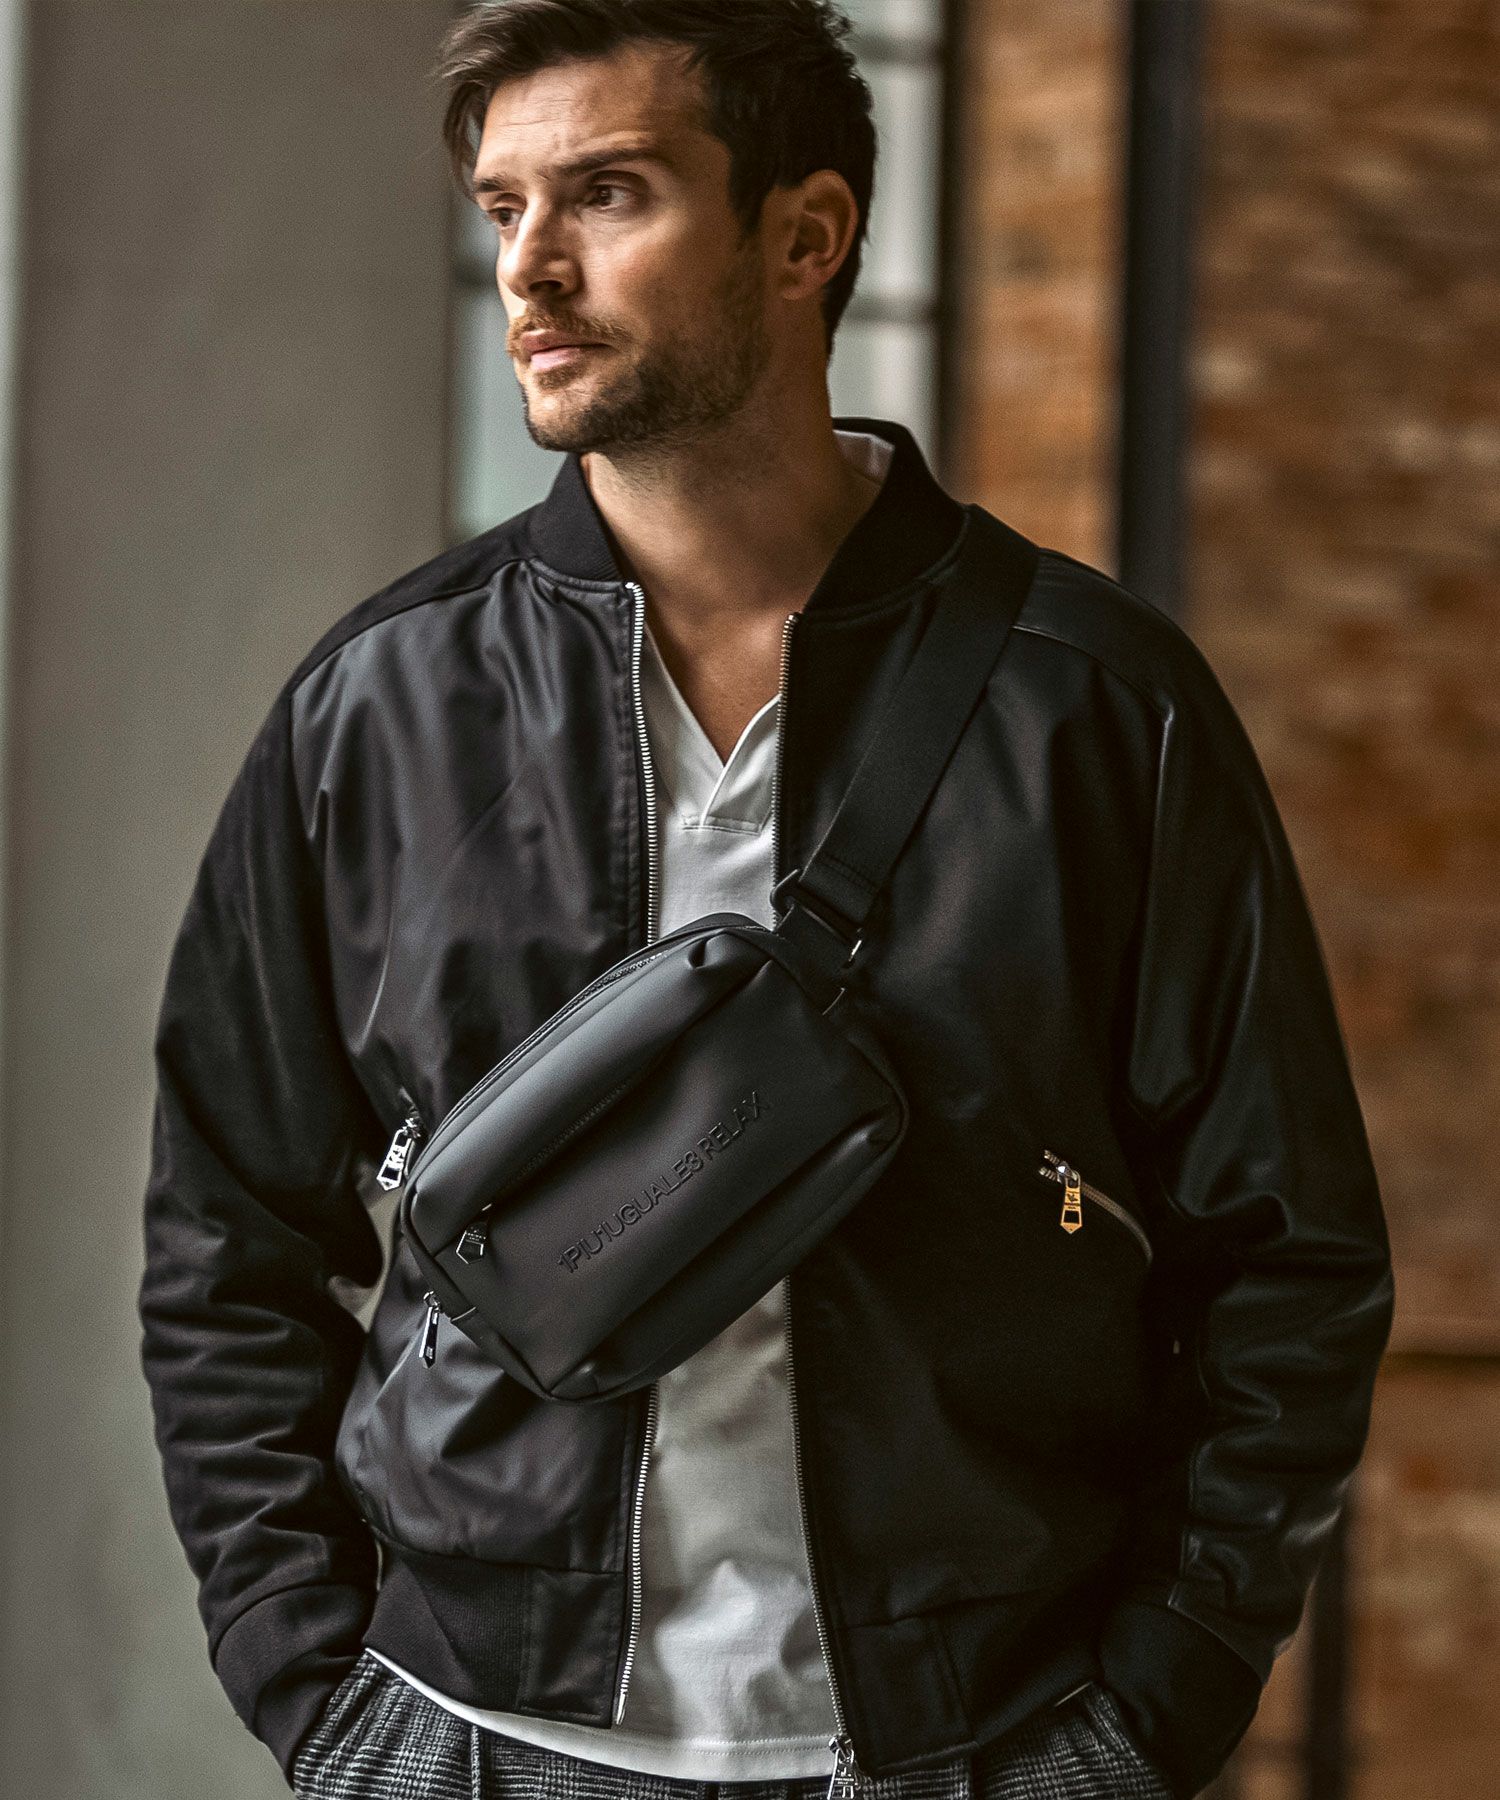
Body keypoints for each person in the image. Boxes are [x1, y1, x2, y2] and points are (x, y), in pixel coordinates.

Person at [138, 3, 1395, 1798]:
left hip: (976, 1736)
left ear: (806, 236)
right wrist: (325, 1705)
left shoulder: (1096, 708)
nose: (530, 268)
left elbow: (1290, 1259)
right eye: (502, 208)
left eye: (609, 193)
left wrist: (1146, 1716)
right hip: (473, 1735)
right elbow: (226, 1239)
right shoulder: (381, 707)